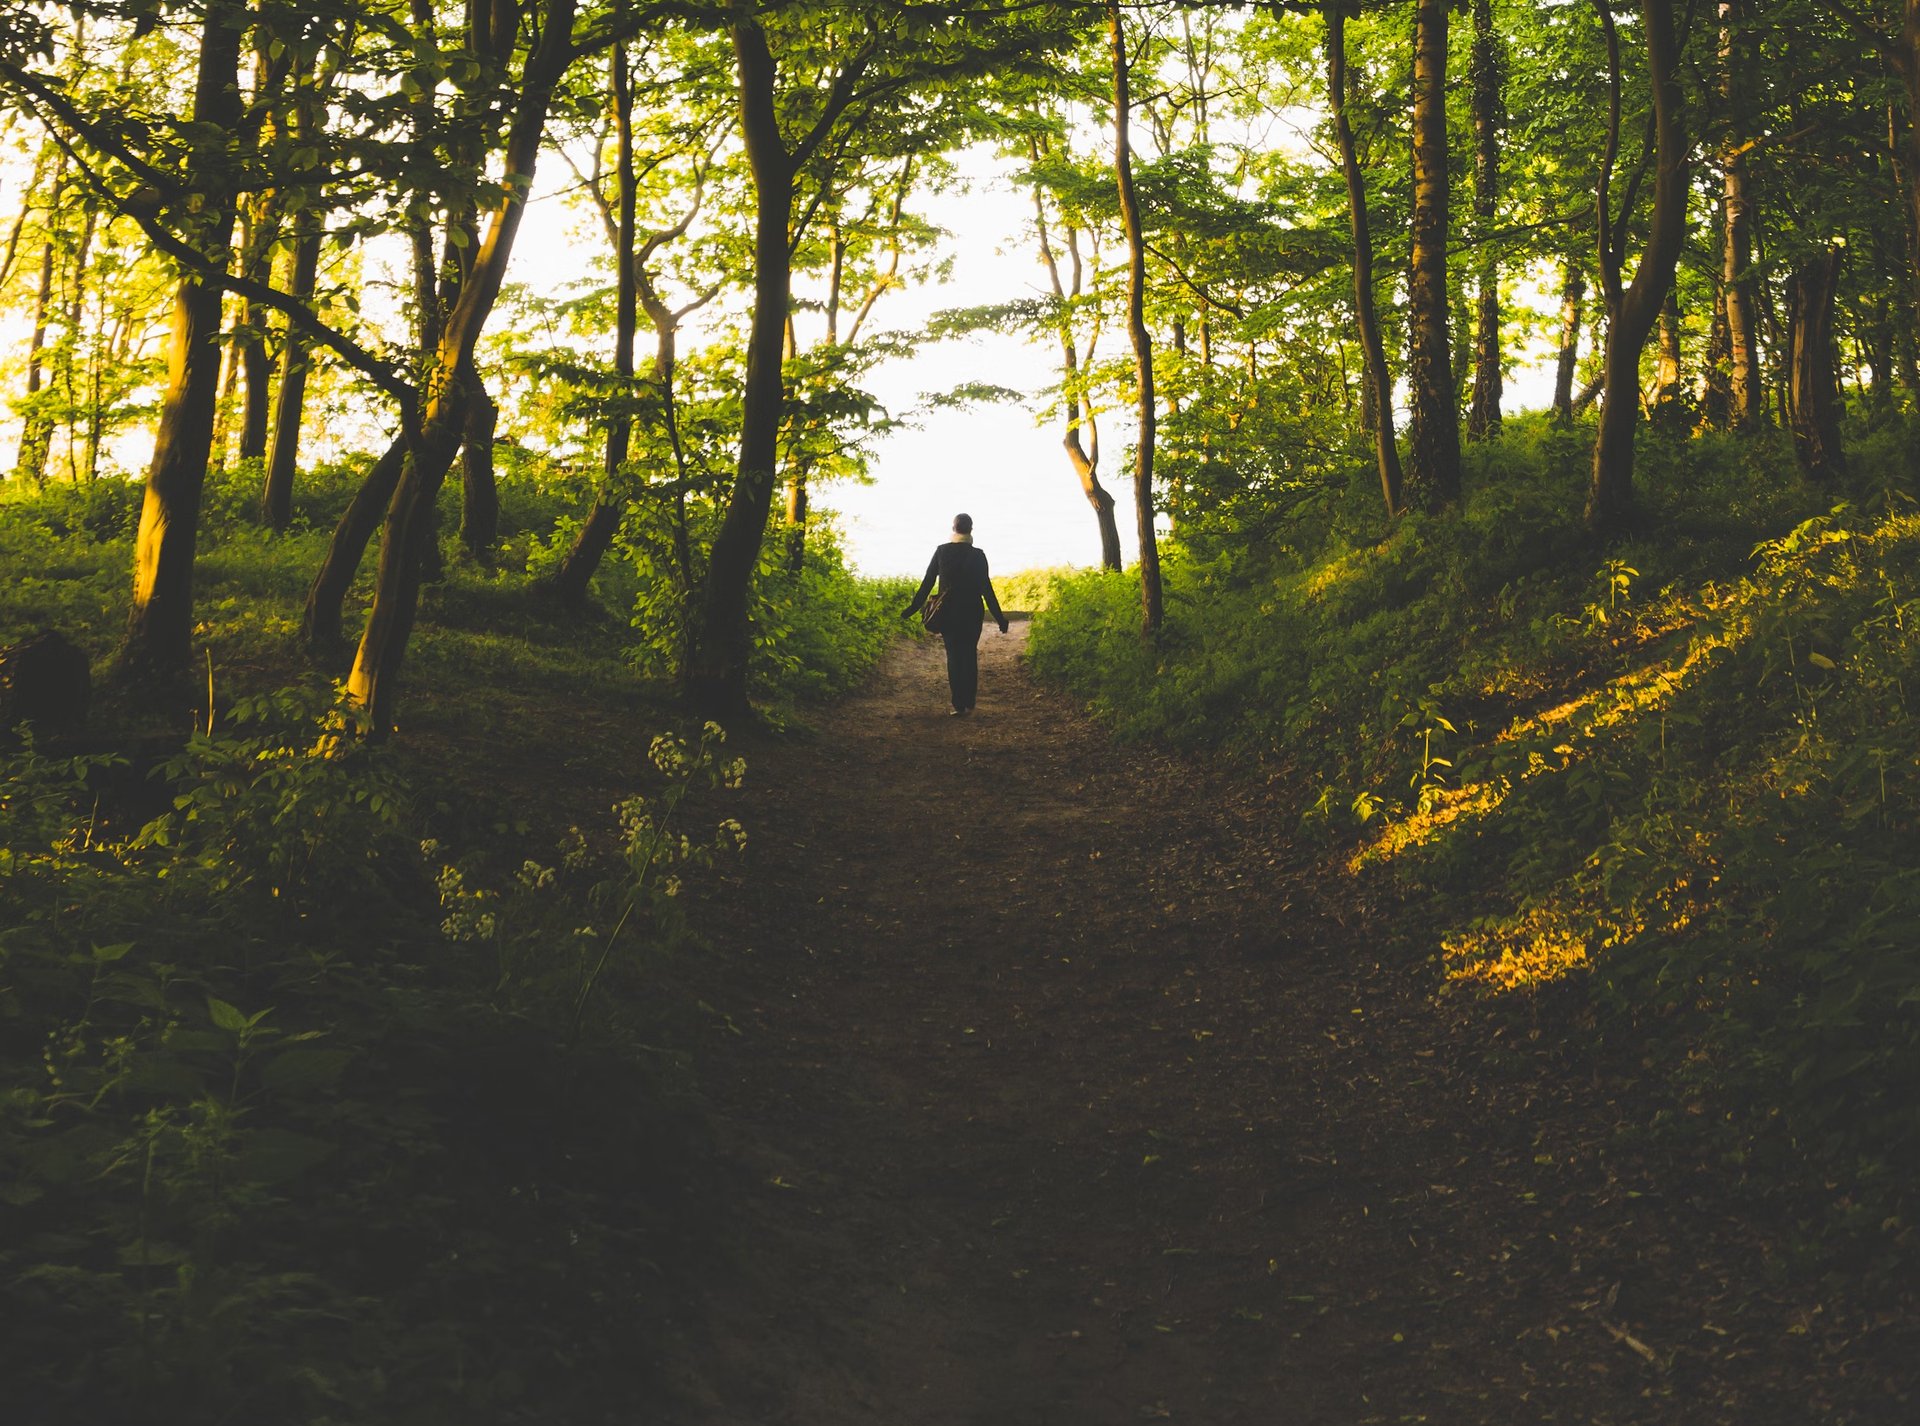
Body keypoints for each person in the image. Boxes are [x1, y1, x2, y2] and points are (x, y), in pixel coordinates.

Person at [902, 512, 1009, 716]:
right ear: (971, 529)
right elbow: (987, 590)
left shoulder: (942, 552)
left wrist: (912, 609)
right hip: (972, 612)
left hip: (948, 613)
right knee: (969, 654)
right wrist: (1000, 618)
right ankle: (969, 701)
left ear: (953, 528)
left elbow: (927, 582)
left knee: (954, 656)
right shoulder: (978, 555)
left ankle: (958, 704)